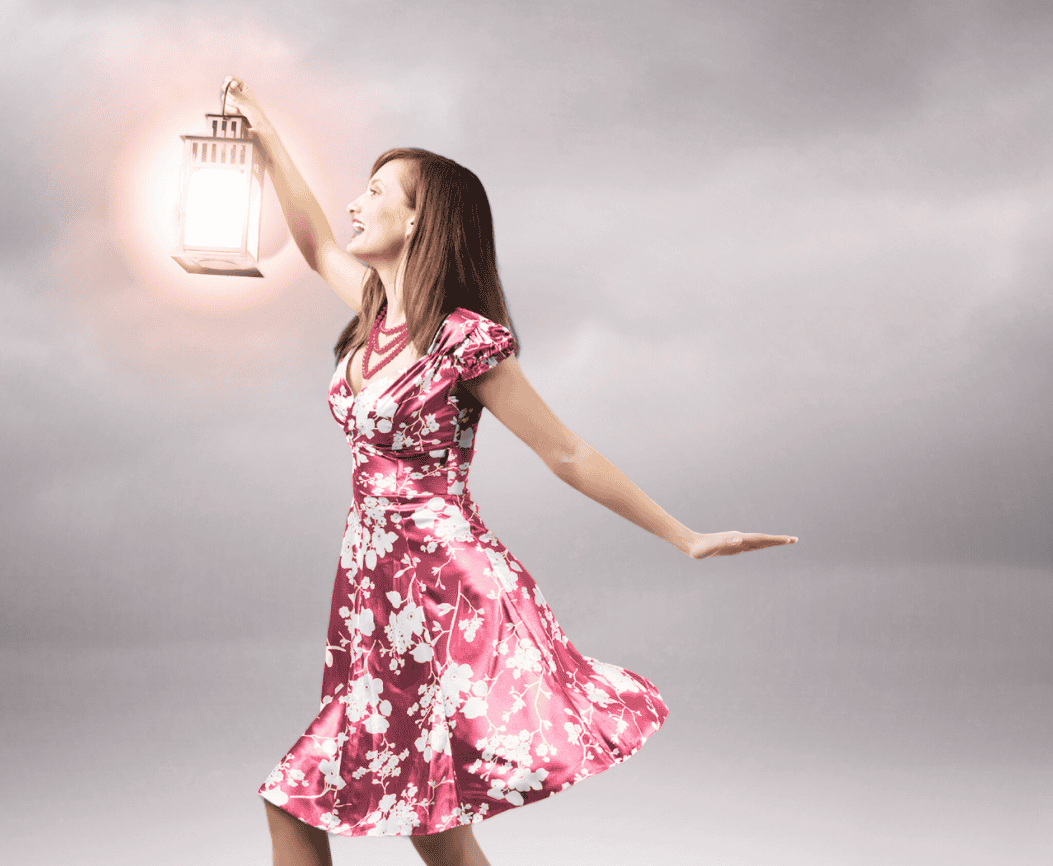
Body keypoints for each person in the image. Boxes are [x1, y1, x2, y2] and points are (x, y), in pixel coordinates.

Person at [219, 77, 797, 866]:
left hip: (444, 587)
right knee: (427, 821)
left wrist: (687, 538)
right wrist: (263, 138)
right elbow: (314, 239)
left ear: (419, 217)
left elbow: (565, 452)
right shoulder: (374, 316)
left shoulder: (466, 341)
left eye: (375, 191)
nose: (355, 204)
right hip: (371, 595)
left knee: (316, 798)